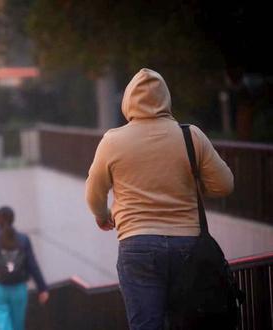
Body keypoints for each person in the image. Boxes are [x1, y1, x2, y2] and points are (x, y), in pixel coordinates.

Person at [85, 68, 234, 330]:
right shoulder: (191, 136)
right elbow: (224, 185)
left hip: (137, 243)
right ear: (165, 99)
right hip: (189, 245)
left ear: (128, 100)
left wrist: (102, 215)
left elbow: (94, 193)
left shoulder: (113, 141)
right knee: (191, 321)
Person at [0, 206, 49, 330]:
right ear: (13, 219)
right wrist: (42, 288)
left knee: (3, 326)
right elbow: (32, 265)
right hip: (18, 288)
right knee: (18, 326)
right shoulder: (23, 239)